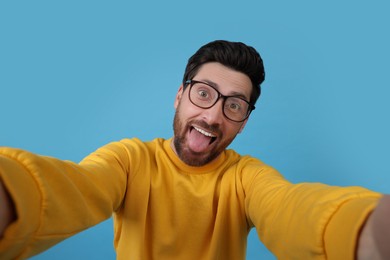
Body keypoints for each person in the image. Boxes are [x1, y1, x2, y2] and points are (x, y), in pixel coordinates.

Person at [0, 40, 388, 260]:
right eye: (203, 94)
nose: (213, 115)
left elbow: (289, 209)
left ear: (244, 120)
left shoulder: (245, 178)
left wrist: (368, 232)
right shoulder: (130, 160)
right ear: (179, 96)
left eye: (234, 105)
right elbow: (74, 187)